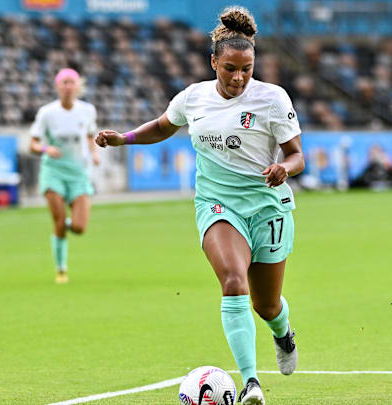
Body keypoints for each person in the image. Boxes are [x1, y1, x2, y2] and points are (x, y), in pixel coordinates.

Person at [95, 7, 302, 405]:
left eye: (246, 68)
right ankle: (251, 383)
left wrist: (284, 168)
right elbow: (163, 125)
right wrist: (126, 138)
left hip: (268, 209)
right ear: (214, 62)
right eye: (229, 69)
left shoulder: (273, 99)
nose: (238, 78)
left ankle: (283, 331)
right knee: (233, 282)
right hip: (218, 205)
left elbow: (297, 155)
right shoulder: (193, 97)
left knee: (267, 304)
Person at [29, 68, 99, 284]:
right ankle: (61, 269)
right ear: (57, 86)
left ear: (78, 86)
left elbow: (89, 135)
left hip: (78, 172)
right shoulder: (47, 113)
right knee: (58, 220)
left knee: (79, 227)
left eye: (72, 82)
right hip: (54, 171)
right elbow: (33, 144)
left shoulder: (87, 111)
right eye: (64, 82)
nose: (68, 86)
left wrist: (94, 152)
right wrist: (45, 150)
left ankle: (62, 227)